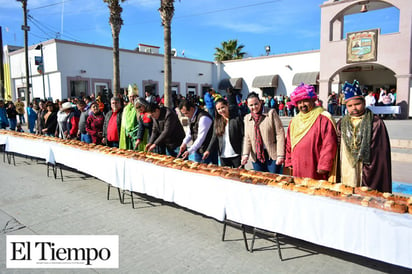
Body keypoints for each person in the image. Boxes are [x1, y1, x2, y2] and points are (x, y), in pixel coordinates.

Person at [337, 80, 392, 193]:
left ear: (364, 103)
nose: (354, 108)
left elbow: (380, 154)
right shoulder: (341, 123)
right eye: (350, 106)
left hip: (366, 169)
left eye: (357, 104)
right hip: (346, 166)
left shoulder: (375, 122)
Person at [285, 84, 338, 181]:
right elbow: (289, 143)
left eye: (305, 101)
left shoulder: (324, 118)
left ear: (313, 100)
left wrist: (324, 165)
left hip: (315, 166)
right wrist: (289, 161)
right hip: (297, 165)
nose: (302, 105)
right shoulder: (294, 121)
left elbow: (329, 144)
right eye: (299, 102)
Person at [241, 92, 285, 173]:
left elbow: (280, 134)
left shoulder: (271, 113)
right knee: (260, 181)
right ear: (247, 105)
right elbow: (247, 138)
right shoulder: (247, 118)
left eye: (256, 104)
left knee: (273, 180)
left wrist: (280, 155)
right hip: (256, 155)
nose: (254, 107)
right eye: (251, 105)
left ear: (260, 102)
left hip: (272, 155)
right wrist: (245, 154)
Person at [203, 98, 244, 168]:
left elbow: (243, 136)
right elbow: (214, 137)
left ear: (227, 106)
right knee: (225, 176)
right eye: (218, 109)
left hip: (236, 154)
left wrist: (244, 153)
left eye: (222, 107)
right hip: (223, 155)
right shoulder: (217, 121)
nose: (221, 110)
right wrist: (208, 150)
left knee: (239, 176)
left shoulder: (236, 119)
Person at [178, 99, 218, 164]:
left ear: (191, 109)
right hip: (198, 149)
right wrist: (184, 143)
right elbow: (190, 132)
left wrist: (190, 150)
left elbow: (201, 137)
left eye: (186, 113)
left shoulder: (203, 118)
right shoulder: (192, 116)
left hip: (207, 150)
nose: (186, 116)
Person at [119, 84, 139, 150]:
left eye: (134, 96)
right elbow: (124, 123)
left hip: (137, 136)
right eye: (130, 97)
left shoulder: (140, 108)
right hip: (127, 136)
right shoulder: (126, 108)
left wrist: (132, 133)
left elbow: (141, 122)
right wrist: (127, 132)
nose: (132, 98)